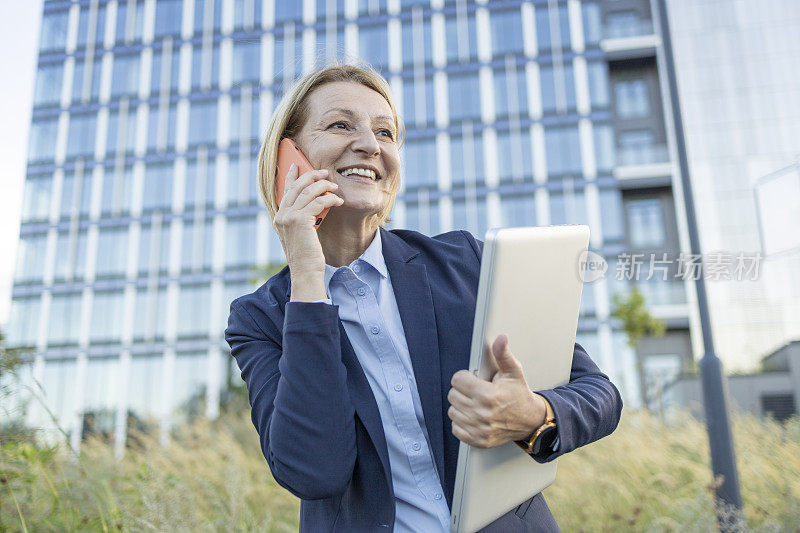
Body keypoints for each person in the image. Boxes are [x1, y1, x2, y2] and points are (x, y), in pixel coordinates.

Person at [225, 63, 622, 532]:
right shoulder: (260, 318)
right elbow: (315, 470)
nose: (371, 146)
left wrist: (534, 416)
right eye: (340, 125)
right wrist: (308, 281)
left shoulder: (468, 264)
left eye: (386, 132)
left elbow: (600, 394)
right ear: (288, 156)